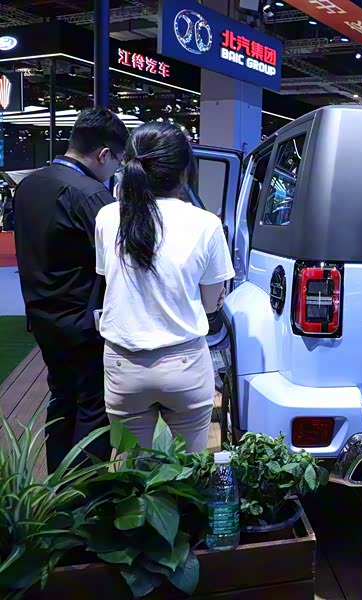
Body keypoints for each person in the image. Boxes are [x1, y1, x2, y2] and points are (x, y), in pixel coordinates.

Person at [95, 122, 234, 452]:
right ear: (185, 171)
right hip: (184, 365)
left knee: (133, 469)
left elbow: (109, 280)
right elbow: (211, 304)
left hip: (123, 366)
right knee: (189, 468)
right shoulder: (206, 224)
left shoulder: (106, 217)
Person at [14, 108, 127, 472]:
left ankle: (58, 490)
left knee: (61, 401)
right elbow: (123, 258)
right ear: (104, 155)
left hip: (42, 318)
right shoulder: (91, 196)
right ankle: (84, 496)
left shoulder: (29, 185)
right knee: (93, 410)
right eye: (117, 161)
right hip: (84, 323)